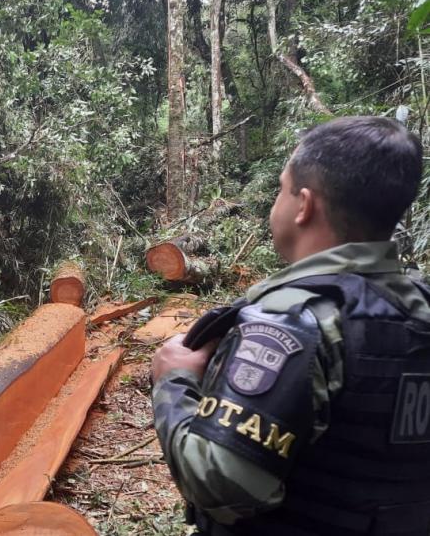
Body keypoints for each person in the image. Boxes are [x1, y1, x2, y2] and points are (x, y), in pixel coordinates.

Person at [151, 116, 430, 536]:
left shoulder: (290, 322)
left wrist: (173, 379)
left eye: (280, 190)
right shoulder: (419, 306)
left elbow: (221, 485)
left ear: (304, 205)